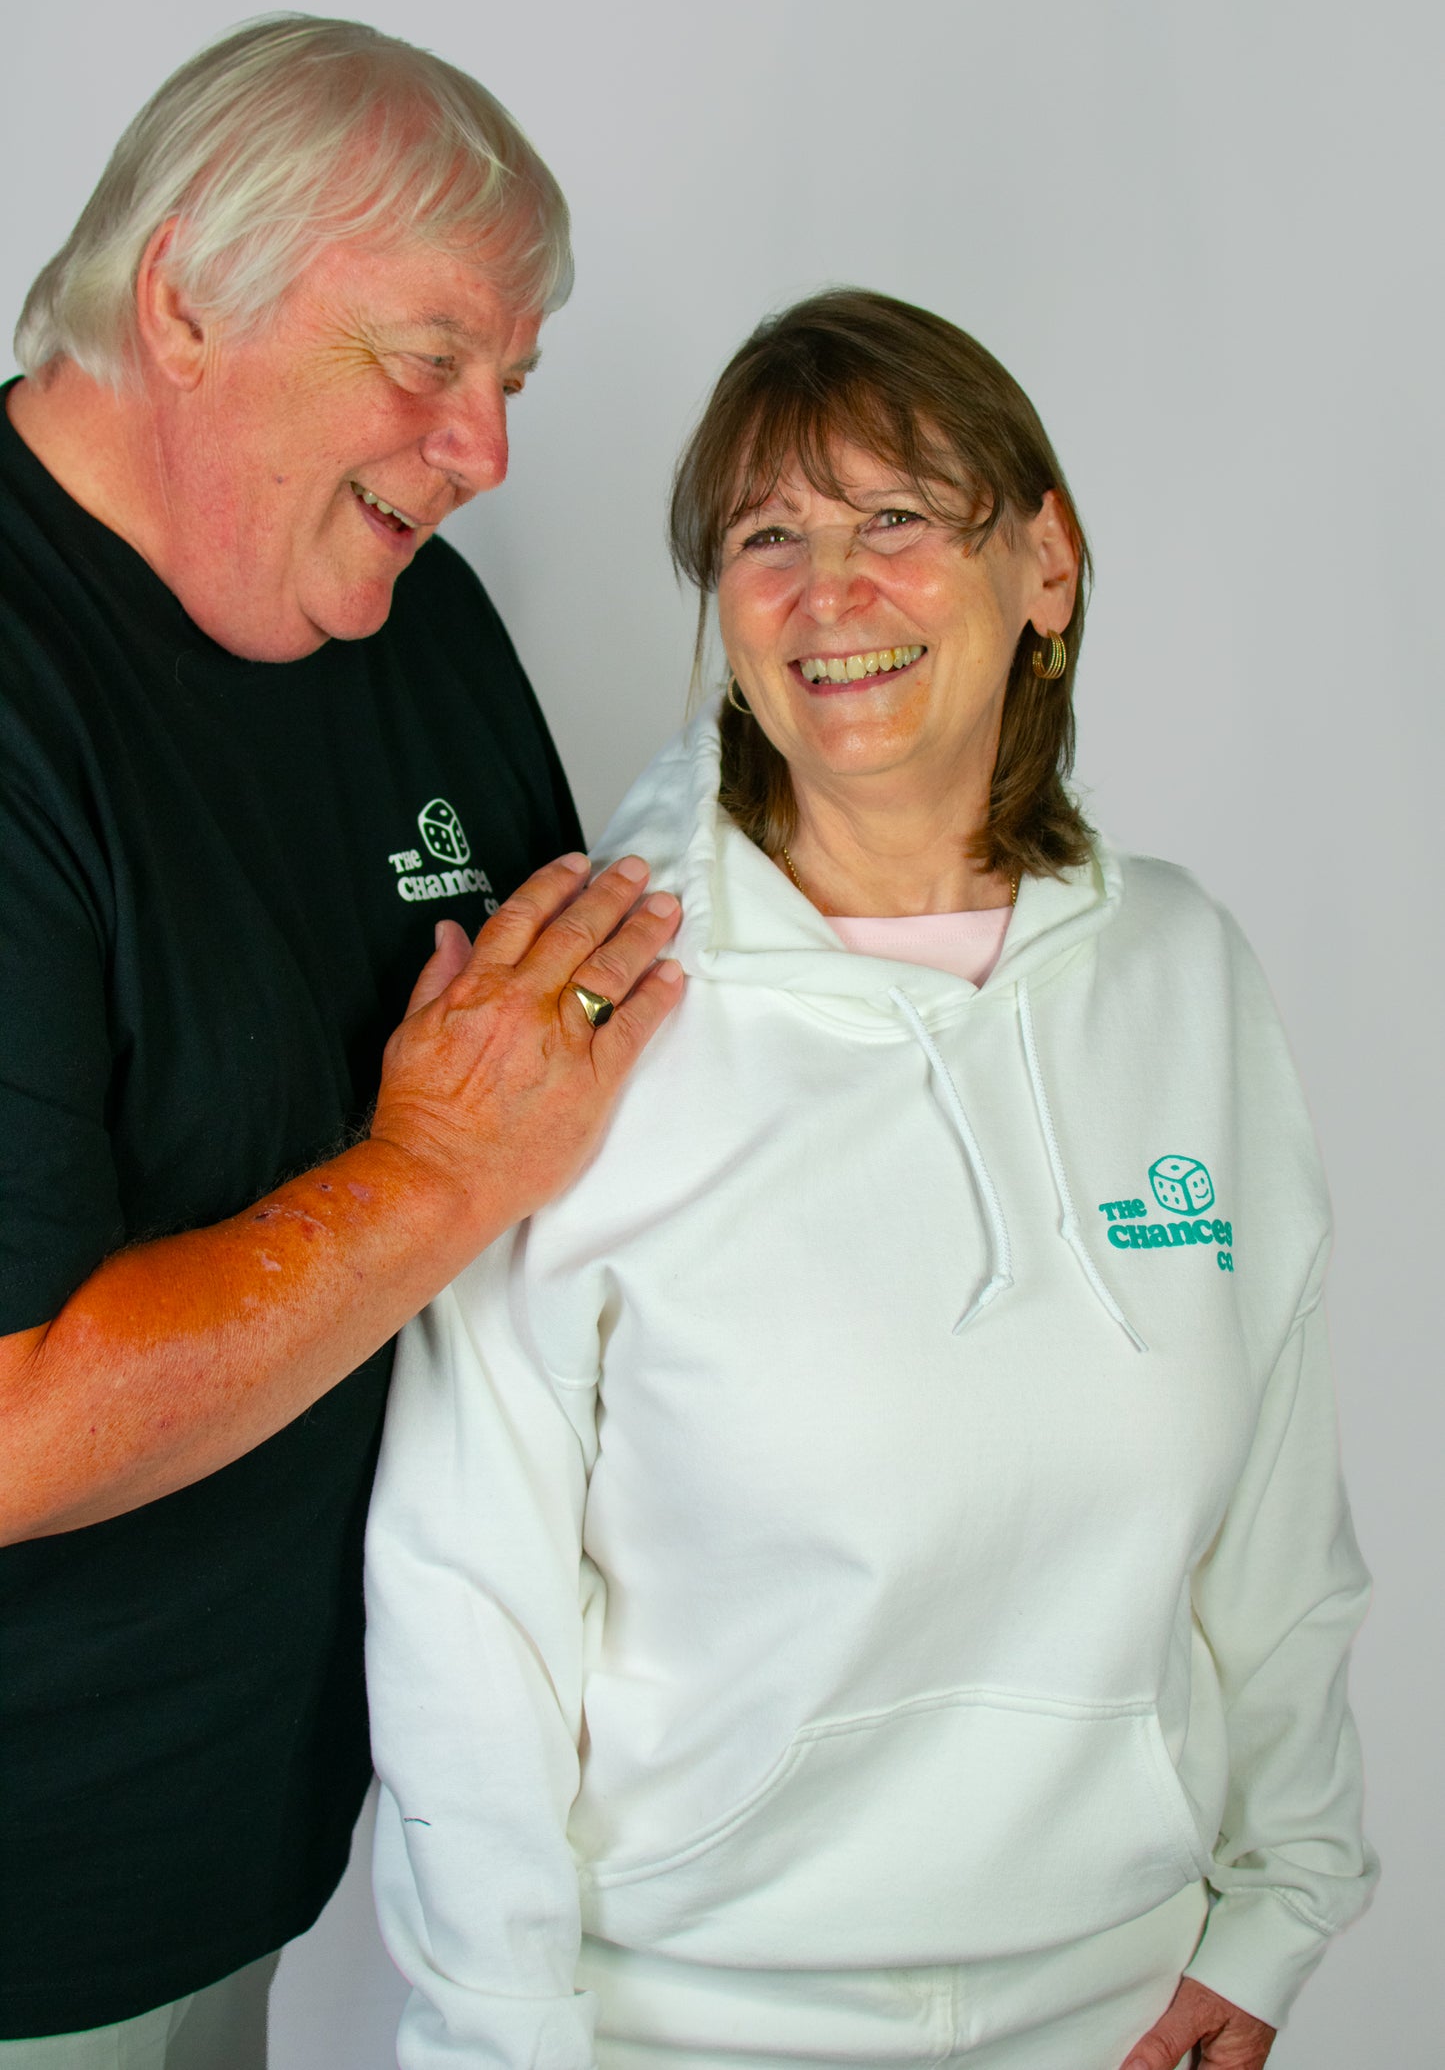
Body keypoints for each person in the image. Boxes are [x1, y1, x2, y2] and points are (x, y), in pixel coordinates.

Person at [365, 289, 1377, 2070]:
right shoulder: (581, 998)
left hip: (1117, 2010)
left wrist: (1281, 1901)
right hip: (683, 2027)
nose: (831, 594)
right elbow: (468, 1589)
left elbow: (1276, 1511)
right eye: (770, 538)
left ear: (1042, 565)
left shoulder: (1181, 974)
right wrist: (495, 2038)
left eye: (896, 520)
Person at [0, 16, 684, 2063]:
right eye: (428, 363)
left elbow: (596, 1084)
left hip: (271, 1839)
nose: (483, 453)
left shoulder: (413, 622)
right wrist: (434, 1173)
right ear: (188, 293)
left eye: (511, 386)